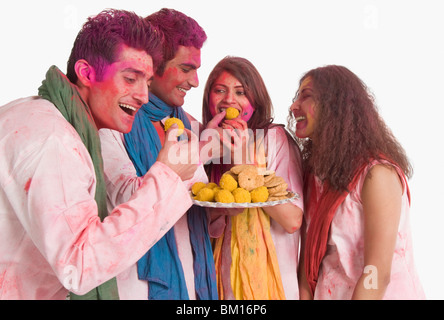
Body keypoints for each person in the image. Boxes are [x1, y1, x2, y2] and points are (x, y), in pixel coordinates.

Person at [0, 9, 200, 300]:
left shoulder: (39, 114)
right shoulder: (54, 140)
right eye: (130, 78)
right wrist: (168, 175)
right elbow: (79, 266)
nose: (144, 96)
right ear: (86, 73)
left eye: (146, 81)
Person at [99, 8, 217, 300]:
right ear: (154, 65)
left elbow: (196, 200)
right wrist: (198, 154)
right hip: (138, 285)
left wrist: (225, 204)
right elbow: (125, 202)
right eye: (186, 69)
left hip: (194, 282)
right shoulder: (112, 122)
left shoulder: (188, 124)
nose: (195, 82)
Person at [290, 65, 425, 300]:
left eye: (306, 96)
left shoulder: (377, 175)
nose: (293, 106)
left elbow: (377, 273)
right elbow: (307, 266)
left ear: (334, 106)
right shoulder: (315, 174)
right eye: (296, 96)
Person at [201, 56, 304, 300]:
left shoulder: (274, 138)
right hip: (222, 281)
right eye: (220, 90)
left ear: (255, 101)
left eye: (240, 92)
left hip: (272, 281)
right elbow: (205, 226)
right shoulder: (208, 145)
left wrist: (243, 163)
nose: (229, 99)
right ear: (209, 99)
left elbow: (292, 220)